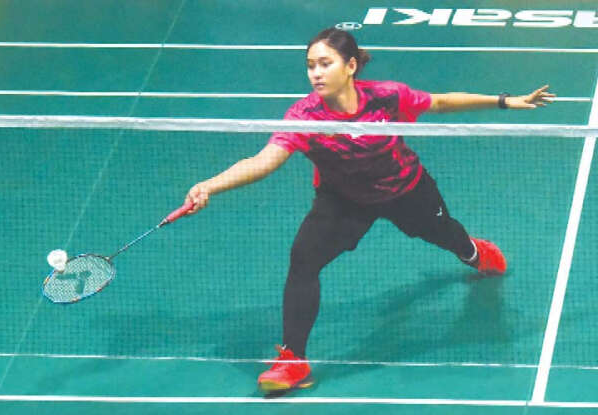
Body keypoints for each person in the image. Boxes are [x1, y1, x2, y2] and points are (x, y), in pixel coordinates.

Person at [184, 28, 555, 393]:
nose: (315, 73)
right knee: (303, 260)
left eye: (325, 63)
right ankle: (293, 359)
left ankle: (473, 251)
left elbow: (440, 102)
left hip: (405, 188)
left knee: (448, 235)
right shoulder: (304, 116)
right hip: (343, 200)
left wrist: (504, 101)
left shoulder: (387, 97)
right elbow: (263, 161)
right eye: (310, 65)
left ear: (350, 66)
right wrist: (209, 186)